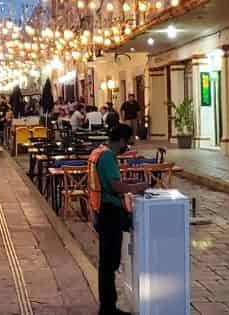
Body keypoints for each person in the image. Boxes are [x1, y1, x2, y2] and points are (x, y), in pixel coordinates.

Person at [87, 125, 146, 315]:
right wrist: (137, 187)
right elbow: (114, 186)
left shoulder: (97, 152)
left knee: (107, 262)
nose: (127, 147)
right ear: (121, 140)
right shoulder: (108, 156)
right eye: (127, 142)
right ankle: (108, 308)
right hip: (109, 212)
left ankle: (108, 306)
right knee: (109, 263)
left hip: (100, 210)